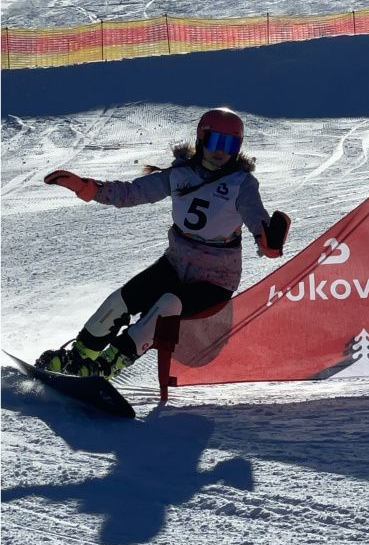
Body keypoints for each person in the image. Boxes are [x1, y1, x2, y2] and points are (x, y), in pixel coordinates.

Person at [36, 107, 291, 380]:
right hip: (175, 264)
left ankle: (107, 366)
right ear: (202, 139)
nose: (221, 151)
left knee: (168, 303)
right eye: (216, 141)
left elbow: (256, 216)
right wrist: (89, 188)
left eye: (230, 145)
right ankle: (80, 356)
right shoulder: (180, 174)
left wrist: (267, 242)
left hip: (215, 280)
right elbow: (133, 192)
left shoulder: (241, 183)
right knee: (122, 299)